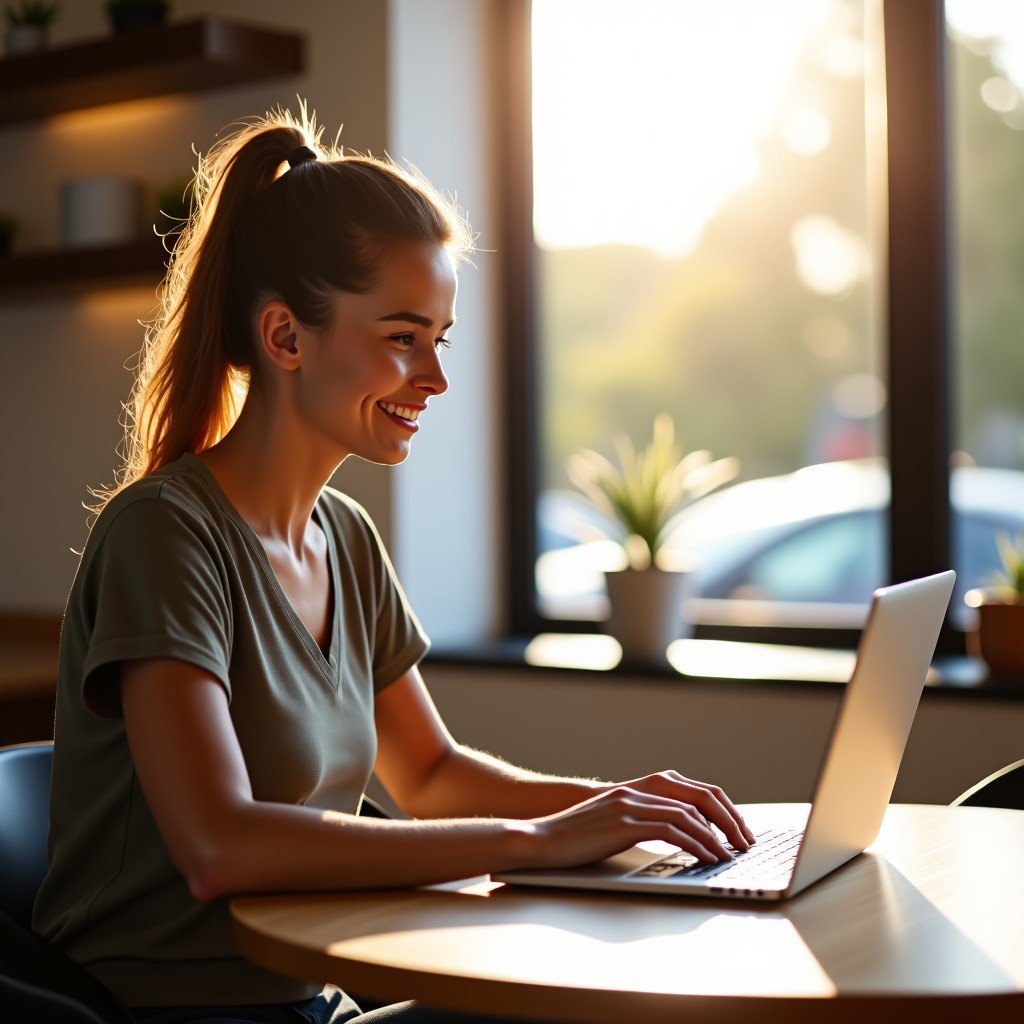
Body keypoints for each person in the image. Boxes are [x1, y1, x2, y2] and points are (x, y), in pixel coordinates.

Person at [31, 105, 755, 1024]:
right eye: (402, 338)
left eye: (439, 340)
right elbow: (217, 845)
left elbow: (434, 775)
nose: (436, 378)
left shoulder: (346, 538)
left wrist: (628, 810)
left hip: (310, 1000)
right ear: (287, 338)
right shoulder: (164, 536)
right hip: (173, 1011)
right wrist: (535, 840)